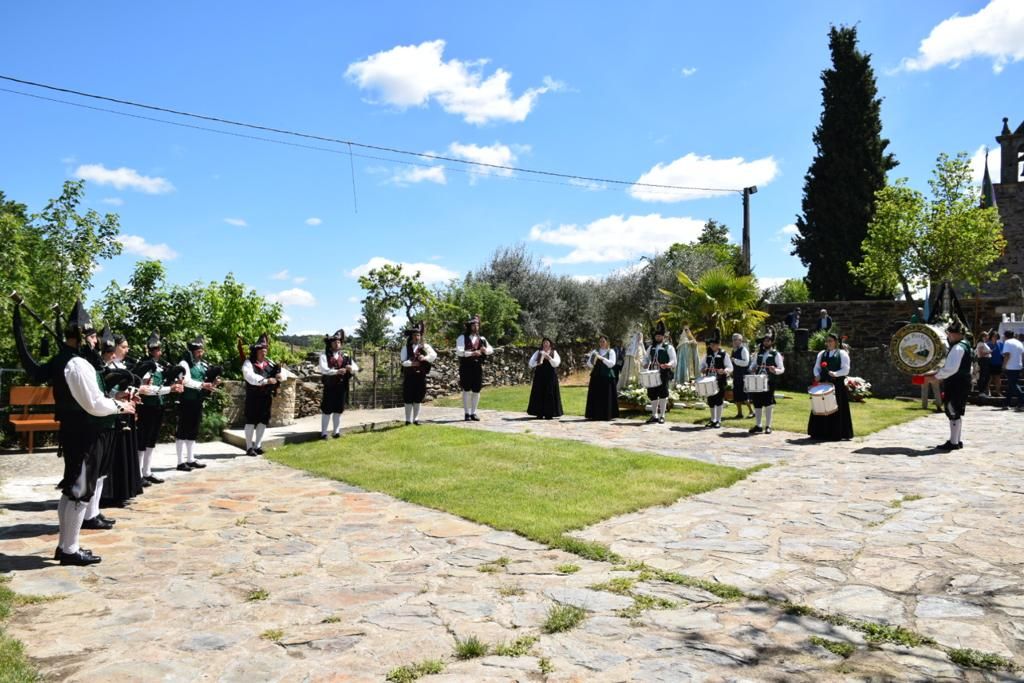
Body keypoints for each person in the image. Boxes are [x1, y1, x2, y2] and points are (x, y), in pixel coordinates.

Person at [56, 303, 134, 564]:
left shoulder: (80, 363)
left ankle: (65, 545)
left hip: (80, 432)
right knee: (79, 491)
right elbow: (94, 404)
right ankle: (70, 550)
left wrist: (114, 400)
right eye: (91, 336)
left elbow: (96, 398)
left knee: (72, 491)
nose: (95, 341)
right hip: (84, 434)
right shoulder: (78, 364)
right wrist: (121, 405)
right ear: (80, 337)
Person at [99, 329, 145, 508]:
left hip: (126, 412)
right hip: (112, 413)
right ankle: (108, 494)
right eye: (124, 347)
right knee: (113, 453)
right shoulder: (104, 367)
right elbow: (104, 390)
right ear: (114, 348)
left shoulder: (123, 367)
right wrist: (118, 395)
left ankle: (123, 491)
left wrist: (132, 394)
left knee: (124, 452)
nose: (127, 350)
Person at [135, 331, 183, 485]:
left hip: (158, 405)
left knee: (151, 440)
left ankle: (147, 471)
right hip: (146, 406)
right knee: (142, 440)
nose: (159, 352)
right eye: (156, 349)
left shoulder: (160, 365)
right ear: (150, 350)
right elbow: (149, 389)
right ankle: (137, 474)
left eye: (159, 349)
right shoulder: (145, 366)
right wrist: (171, 389)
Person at [175, 335, 218, 472]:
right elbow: (186, 381)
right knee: (183, 429)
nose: (201, 353)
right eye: (198, 351)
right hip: (186, 400)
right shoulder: (184, 364)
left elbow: (205, 379)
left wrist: (213, 384)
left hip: (197, 400)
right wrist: (202, 384)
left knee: (193, 430)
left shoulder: (201, 364)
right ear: (192, 351)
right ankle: (180, 462)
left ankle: (191, 459)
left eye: (202, 351)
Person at [930, 320, 972, 450]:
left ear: (957, 335)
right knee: (955, 410)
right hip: (961, 381)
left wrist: (937, 377)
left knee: (952, 409)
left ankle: (954, 443)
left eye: (951, 334)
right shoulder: (965, 345)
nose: (949, 336)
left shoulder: (958, 347)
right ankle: (956, 440)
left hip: (956, 382)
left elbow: (951, 368)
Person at [807, 332, 853, 440]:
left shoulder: (842, 354)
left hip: (837, 384)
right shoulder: (822, 354)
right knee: (820, 406)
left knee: (836, 408)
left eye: (830, 341)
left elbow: (846, 369)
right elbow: (816, 367)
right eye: (827, 341)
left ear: (836, 342)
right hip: (823, 383)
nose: (828, 343)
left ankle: (836, 433)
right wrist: (817, 375)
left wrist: (836, 374)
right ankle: (819, 432)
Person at [242, 334, 280, 455]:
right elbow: (250, 377)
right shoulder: (248, 363)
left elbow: (280, 375)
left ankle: (257, 445)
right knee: (250, 421)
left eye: (265, 350)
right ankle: (249, 447)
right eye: (261, 351)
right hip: (253, 397)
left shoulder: (270, 364)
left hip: (266, 397)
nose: (264, 353)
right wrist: (266, 381)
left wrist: (279, 376)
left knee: (263, 421)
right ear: (256, 351)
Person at [319, 329, 357, 438]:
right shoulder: (324, 355)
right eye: (335, 342)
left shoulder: (345, 356)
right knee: (327, 409)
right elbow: (324, 370)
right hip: (330, 386)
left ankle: (336, 432)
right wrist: (337, 371)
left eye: (339, 342)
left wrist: (351, 368)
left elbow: (356, 368)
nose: (337, 343)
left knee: (338, 410)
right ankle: (324, 433)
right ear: (330, 343)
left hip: (342, 387)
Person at [456, 315, 494, 421]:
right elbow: (459, 351)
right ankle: (467, 413)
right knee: (467, 390)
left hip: (477, 367)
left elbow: (491, 349)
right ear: (469, 326)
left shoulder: (482, 339)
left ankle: (474, 413)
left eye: (477, 325)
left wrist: (484, 350)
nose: (476, 327)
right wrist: (472, 353)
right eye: (474, 325)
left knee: (476, 390)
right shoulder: (462, 338)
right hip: (466, 367)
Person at [749, 331, 785, 434]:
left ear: (771, 342)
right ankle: (758, 425)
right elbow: (753, 365)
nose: (766, 342)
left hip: (770, 381)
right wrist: (752, 368)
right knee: (757, 403)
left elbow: (782, 368)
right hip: (758, 381)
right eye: (765, 340)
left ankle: (768, 426)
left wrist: (775, 370)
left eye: (768, 340)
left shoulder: (776, 354)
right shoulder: (758, 353)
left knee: (768, 403)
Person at [400, 321, 436, 425]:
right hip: (409, 376)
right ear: (411, 337)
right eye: (415, 335)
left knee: (418, 397)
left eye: (419, 335)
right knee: (408, 397)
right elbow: (402, 362)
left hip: (420, 376)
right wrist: (411, 364)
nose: (417, 337)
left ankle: (416, 419)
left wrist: (425, 357)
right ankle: (407, 420)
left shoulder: (425, 347)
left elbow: (433, 355)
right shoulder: (405, 348)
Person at [644, 321, 677, 424]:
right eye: (656, 336)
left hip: (663, 373)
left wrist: (668, 365)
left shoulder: (669, 347)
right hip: (652, 373)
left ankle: (662, 415)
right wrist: (644, 363)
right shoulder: (651, 347)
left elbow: (674, 360)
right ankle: (654, 415)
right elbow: (646, 358)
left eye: (659, 336)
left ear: (663, 336)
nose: (657, 338)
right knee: (653, 394)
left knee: (663, 394)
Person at [699, 333, 732, 429]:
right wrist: (703, 369)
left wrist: (724, 371)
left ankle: (718, 420)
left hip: (719, 380)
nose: (712, 346)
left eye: (714, 344)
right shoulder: (707, 355)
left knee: (718, 400)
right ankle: (713, 420)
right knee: (711, 400)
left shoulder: (724, 354)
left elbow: (730, 367)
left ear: (718, 345)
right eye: (711, 344)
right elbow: (702, 365)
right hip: (709, 380)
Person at [527, 337, 563, 420]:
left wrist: (548, 357)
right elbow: (531, 363)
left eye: (547, 343)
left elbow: (556, 363)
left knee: (550, 393)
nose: (545, 344)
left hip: (550, 376)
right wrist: (538, 362)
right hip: (540, 376)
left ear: (550, 344)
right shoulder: (538, 352)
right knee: (539, 392)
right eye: (544, 343)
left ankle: (549, 413)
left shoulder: (554, 352)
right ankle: (539, 413)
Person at [585, 335, 618, 421]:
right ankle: (595, 414)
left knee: (606, 396)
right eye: (600, 341)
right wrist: (593, 359)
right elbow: (589, 364)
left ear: (607, 342)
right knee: (596, 396)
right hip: (596, 377)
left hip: (607, 377)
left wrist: (602, 358)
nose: (602, 343)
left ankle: (607, 415)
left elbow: (612, 364)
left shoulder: (611, 351)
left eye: (603, 341)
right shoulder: (595, 352)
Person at [729, 333, 754, 419]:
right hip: (736, 375)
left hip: (743, 375)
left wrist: (735, 360)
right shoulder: (733, 350)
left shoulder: (744, 350)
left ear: (741, 341)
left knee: (744, 395)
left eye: (737, 340)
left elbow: (746, 363)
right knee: (736, 395)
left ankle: (751, 411)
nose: (735, 341)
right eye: (734, 340)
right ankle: (739, 413)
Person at [1001, 330, 1024, 411]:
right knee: (1011, 385)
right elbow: (1022, 355)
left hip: (1010, 367)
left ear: (1006, 336)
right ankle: (1006, 403)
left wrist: (1003, 366)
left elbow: (1007, 354)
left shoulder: (1007, 342)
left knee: (1013, 385)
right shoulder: (1019, 343)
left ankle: (1022, 401)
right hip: (1018, 366)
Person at [975, 330, 993, 398]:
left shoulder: (983, 343)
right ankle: (981, 391)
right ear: (983, 337)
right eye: (986, 336)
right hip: (983, 360)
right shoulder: (981, 343)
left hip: (986, 360)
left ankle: (983, 391)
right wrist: (989, 352)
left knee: (986, 376)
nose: (987, 337)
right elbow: (981, 353)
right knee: (983, 376)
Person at [988, 330, 1004, 398]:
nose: (995, 337)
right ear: (991, 336)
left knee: (998, 379)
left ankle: (998, 392)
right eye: (994, 336)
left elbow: (1003, 354)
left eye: (996, 336)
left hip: (998, 363)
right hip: (990, 363)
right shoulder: (988, 344)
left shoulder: (1000, 344)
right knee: (989, 379)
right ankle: (988, 392)